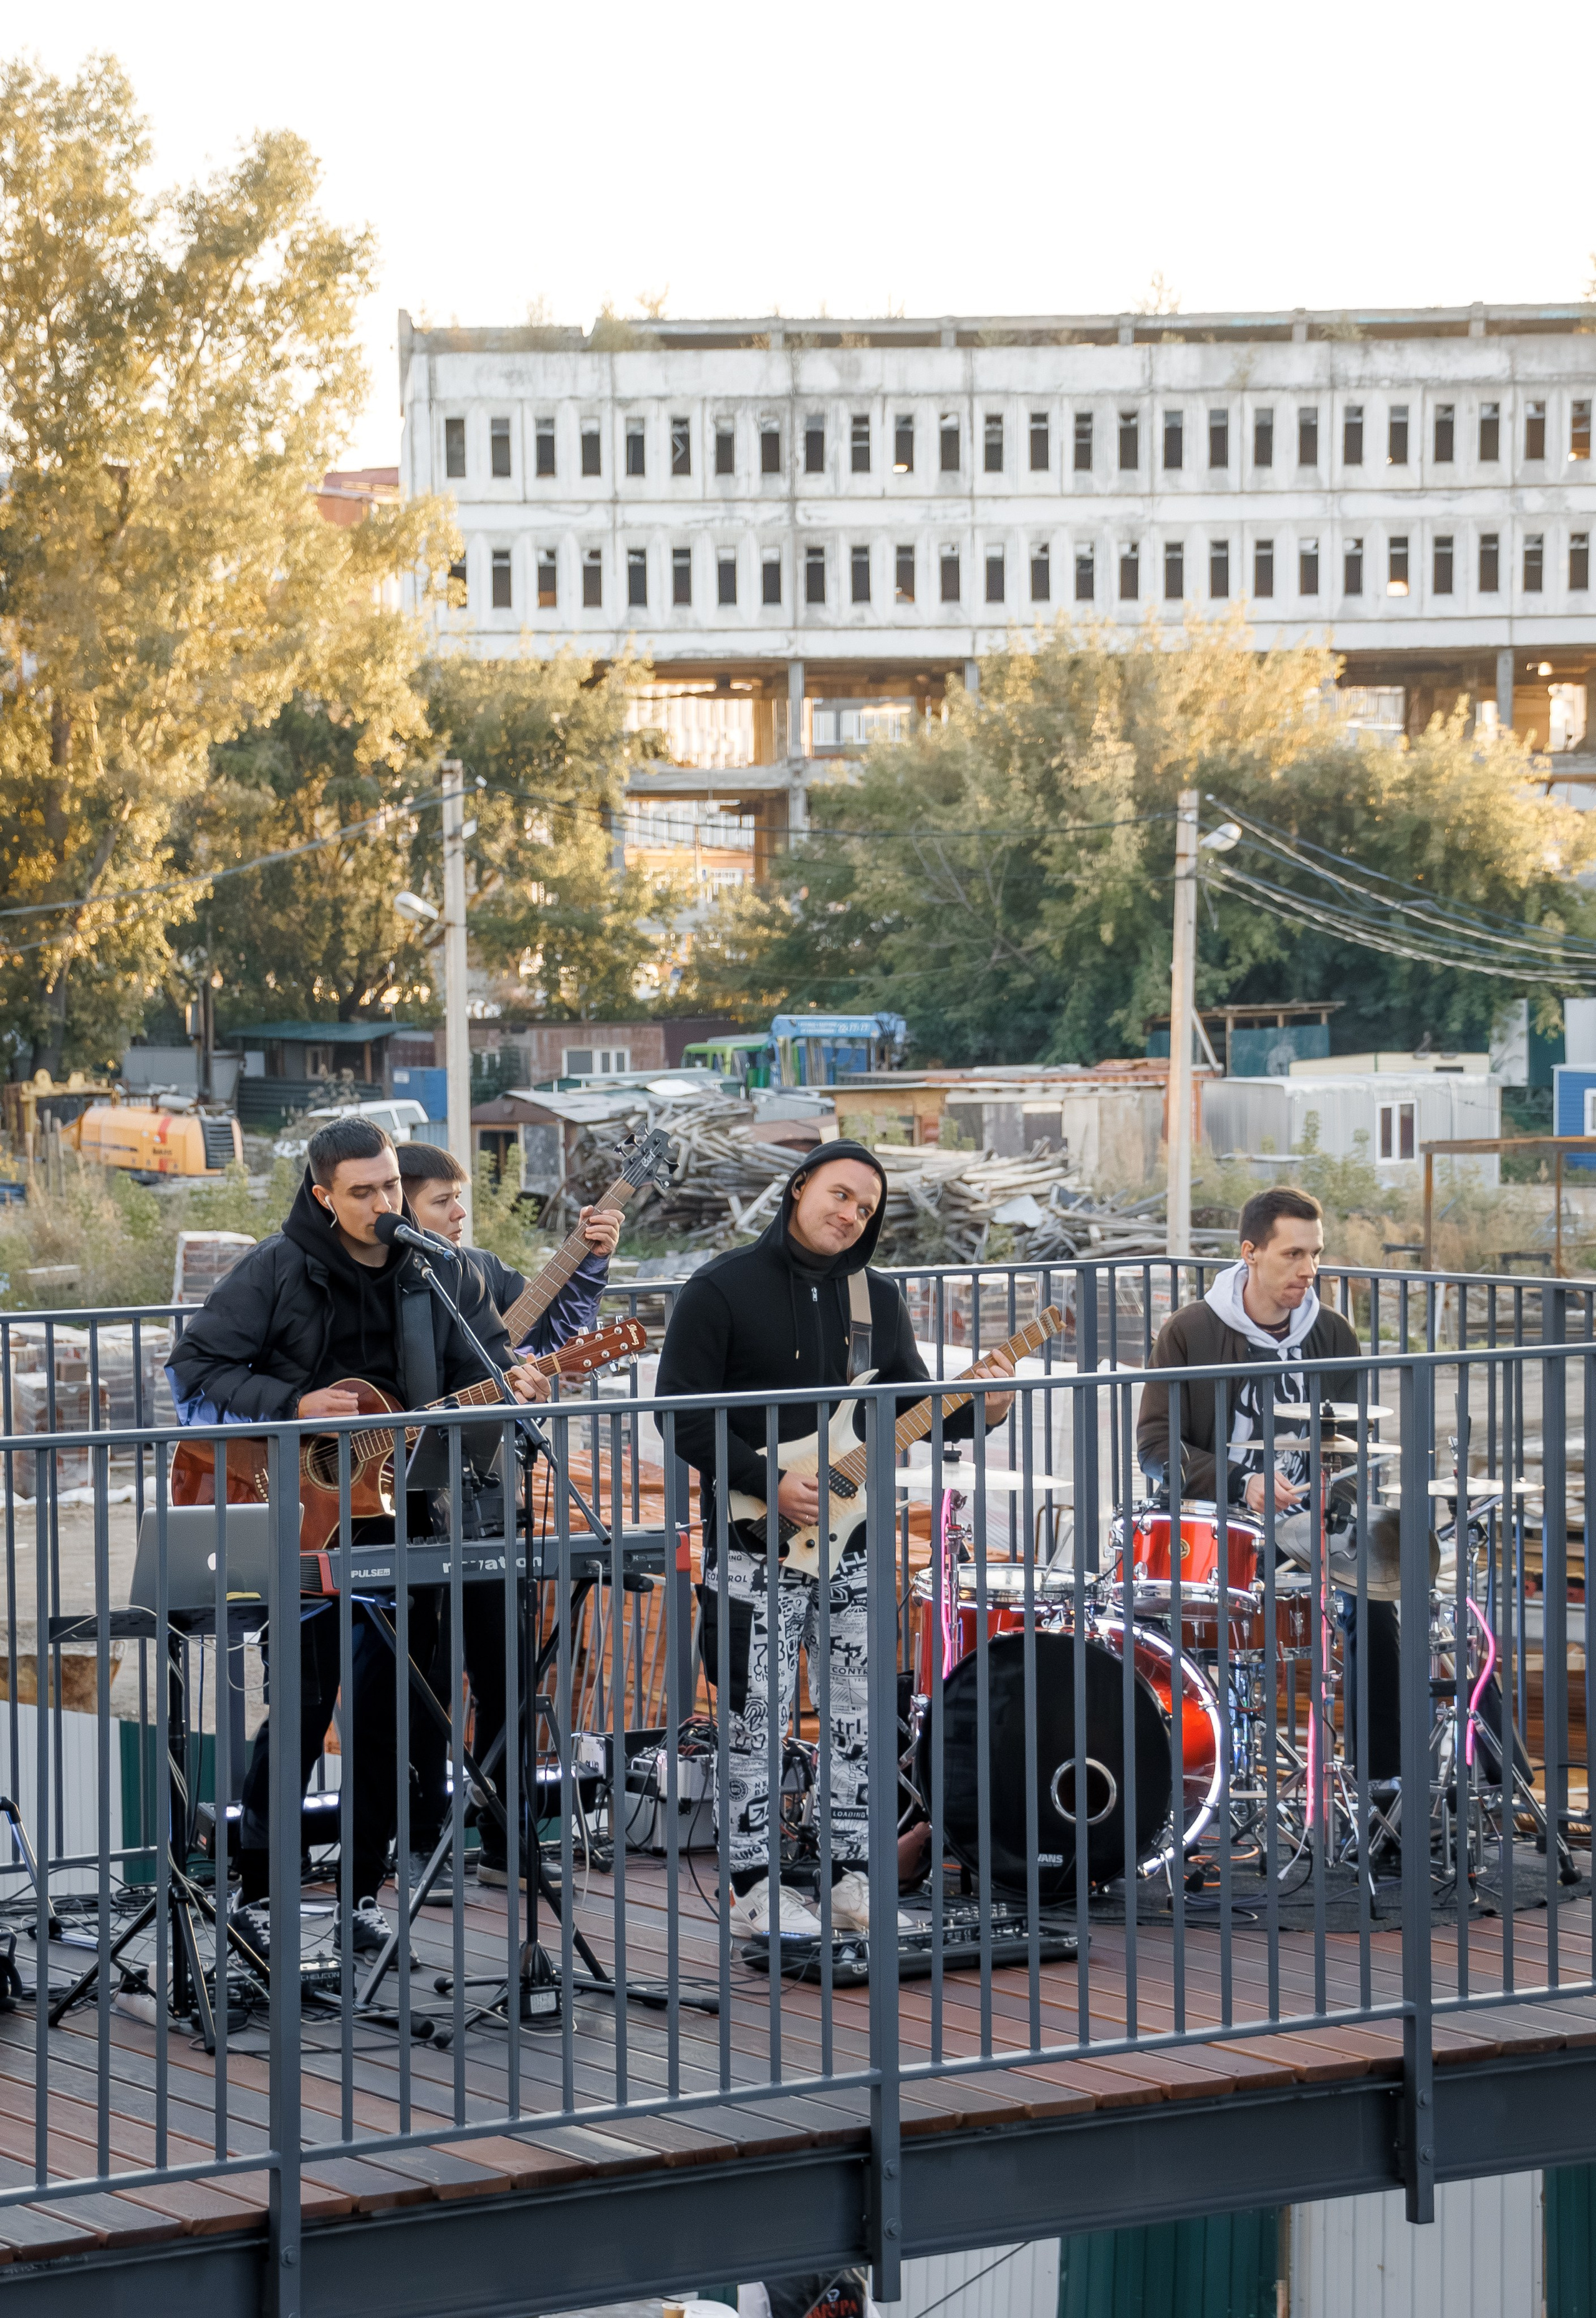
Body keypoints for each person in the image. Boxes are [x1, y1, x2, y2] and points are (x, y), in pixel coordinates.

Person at [167, 1117, 546, 1959]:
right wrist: (293, 1404)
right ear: (324, 1194)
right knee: (300, 1704)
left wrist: (506, 1383)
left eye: (389, 1187)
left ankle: (359, 1896)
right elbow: (190, 1378)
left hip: (403, 1522)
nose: (382, 1203)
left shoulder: (437, 1274)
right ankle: (261, 1894)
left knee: (390, 1714)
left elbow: (476, 1371)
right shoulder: (276, 1271)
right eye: (364, 1191)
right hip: (293, 1515)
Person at [656, 1142, 1016, 1938]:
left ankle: (856, 1880)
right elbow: (678, 1416)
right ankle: (753, 1888)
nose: (850, 1213)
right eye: (839, 1195)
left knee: (859, 1719)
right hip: (755, 1542)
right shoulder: (718, 1289)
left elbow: (911, 1401)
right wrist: (764, 1477)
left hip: (855, 1544)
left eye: (865, 1206)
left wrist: (983, 1409)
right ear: (796, 1189)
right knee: (758, 1718)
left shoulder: (873, 1298)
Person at [393, 1140, 620, 1893]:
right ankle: (419, 1840)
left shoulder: (480, 1273)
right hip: (395, 1516)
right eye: (441, 1202)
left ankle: (508, 1838)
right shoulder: (376, 1290)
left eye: (461, 1201)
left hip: (491, 1503)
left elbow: (550, 1340)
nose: (459, 1215)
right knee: (418, 1685)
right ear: (398, 1207)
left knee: (508, 1680)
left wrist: (588, 1262)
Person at [1135, 1183, 1400, 1781]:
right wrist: (1241, 1483)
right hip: (1217, 1530)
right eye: (1292, 1255)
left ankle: (1381, 1790)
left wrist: (1338, 1504)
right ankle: (1180, 1780)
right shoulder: (1192, 1332)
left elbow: (1353, 1449)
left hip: (1312, 1531)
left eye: (1315, 1254)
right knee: (1161, 1624)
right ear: (1250, 1252)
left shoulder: (1331, 1337)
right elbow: (1155, 1449)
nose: (1308, 1271)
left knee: (1382, 1604)